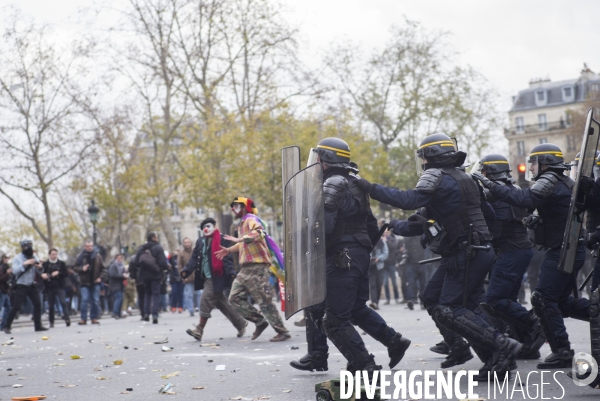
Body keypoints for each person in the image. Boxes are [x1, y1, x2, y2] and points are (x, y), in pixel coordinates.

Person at [357, 133, 521, 379]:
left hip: (467, 252)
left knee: (451, 309)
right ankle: (482, 356)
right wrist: (402, 225)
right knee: (435, 298)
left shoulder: (435, 176)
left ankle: (502, 345)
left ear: (430, 157)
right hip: (474, 250)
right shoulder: (465, 178)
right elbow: (485, 213)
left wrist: (370, 188)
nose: (422, 163)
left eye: (422, 157)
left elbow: (409, 200)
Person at [289, 137, 411, 375]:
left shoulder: (332, 183)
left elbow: (324, 227)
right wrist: (362, 254)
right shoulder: (354, 183)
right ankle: (393, 341)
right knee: (353, 309)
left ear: (326, 159)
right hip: (357, 256)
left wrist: (303, 235)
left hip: (341, 257)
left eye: (318, 157)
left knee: (334, 320)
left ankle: (364, 365)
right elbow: (372, 227)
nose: (315, 162)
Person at [473, 143, 591, 369]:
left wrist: (489, 184)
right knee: (560, 301)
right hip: (568, 248)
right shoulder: (564, 181)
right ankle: (587, 321)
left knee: (543, 298)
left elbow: (524, 199)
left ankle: (562, 352)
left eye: (535, 163)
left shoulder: (550, 180)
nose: (533, 168)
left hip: (563, 249)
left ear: (545, 162)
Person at [472, 154, 544, 360]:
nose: (482, 174)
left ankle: (534, 322)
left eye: (484, 171)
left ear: (491, 172)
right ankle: (527, 343)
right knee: (508, 299)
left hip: (511, 250)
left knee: (494, 299)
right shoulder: (511, 191)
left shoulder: (497, 195)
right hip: (517, 250)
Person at [215, 197, 291, 342]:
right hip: (245, 269)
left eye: (236, 206)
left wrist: (240, 239)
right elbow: (243, 244)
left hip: (258, 267)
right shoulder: (242, 224)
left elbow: (259, 233)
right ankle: (260, 322)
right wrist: (229, 250)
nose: (233, 209)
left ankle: (282, 331)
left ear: (244, 207)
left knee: (264, 301)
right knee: (234, 298)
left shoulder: (251, 220)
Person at [182, 218, 247, 341]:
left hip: (217, 277)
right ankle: (241, 324)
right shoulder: (200, 242)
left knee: (205, 299)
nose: (206, 229)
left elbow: (227, 258)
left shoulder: (223, 239)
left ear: (215, 226)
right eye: (203, 227)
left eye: (208, 226)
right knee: (221, 303)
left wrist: (231, 273)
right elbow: (194, 259)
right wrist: (186, 271)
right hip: (205, 277)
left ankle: (199, 329)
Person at [3, 240, 47, 334]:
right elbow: (14, 270)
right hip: (21, 285)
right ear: (22, 247)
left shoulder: (34, 256)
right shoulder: (17, 258)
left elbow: (39, 270)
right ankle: (7, 326)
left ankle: (38, 325)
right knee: (16, 306)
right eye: (27, 246)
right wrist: (24, 263)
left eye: (30, 245)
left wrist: (39, 267)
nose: (29, 248)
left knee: (38, 304)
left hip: (31, 284)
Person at [134, 232, 170, 324]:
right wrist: (166, 267)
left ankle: (146, 314)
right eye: (156, 237)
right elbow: (162, 262)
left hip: (144, 275)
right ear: (153, 238)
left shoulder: (142, 248)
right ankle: (155, 314)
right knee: (156, 294)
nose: (157, 238)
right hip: (156, 274)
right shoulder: (158, 248)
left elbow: (136, 262)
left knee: (147, 294)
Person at [74, 240, 106, 325]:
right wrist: (82, 269)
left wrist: (100, 277)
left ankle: (94, 317)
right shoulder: (80, 256)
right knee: (84, 300)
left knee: (95, 300)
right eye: (88, 246)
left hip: (95, 282)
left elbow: (103, 269)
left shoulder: (98, 256)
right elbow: (74, 267)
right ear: (84, 247)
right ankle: (83, 319)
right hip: (84, 283)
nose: (89, 248)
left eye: (91, 246)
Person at [41, 249, 71, 328]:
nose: (54, 256)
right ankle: (51, 321)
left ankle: (67, 318)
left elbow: (66, 273)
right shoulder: (46, 264)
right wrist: (45, 276)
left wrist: (59, 273)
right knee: (51, 305)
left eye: (55, 254)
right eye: (53, 254)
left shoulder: (61, 263)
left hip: (59, 286)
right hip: (50, 286)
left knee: (63, 302)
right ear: (49, 255)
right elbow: (42, 273)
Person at [381, 230, 401, 305]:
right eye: (385, 232)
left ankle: (396, 298)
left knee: (394, 282)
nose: (385, 233)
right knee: (385, 282)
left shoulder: (392, 239)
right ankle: (388, 299)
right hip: (385, 264)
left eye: (387, 232)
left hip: (392, 263)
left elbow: (393, 247)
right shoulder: (382, 240)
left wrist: (386, 241)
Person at [368, 236, 388, 310]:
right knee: (372, 285)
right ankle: (374, 302)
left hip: (379, 266)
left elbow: (385, 252)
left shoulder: (381, 242)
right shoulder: (367, 241)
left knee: (379, 285)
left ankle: (377, 301)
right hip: (370, 267)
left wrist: (379, 258)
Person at [179, 238, 195, 317]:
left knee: (200, 293)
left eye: (188, 242)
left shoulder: (195, 251)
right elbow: (179, 266)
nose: (187, 243)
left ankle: (201, 308)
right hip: (187, 277)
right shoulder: (181, 253)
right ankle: (191, 310)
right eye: (185, 242)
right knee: (188, 294)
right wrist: (183, 275)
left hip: (196, 276)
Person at [108, 254, 128, 319]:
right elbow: (113, 275)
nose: (119, 260)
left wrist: (125, 275)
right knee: (118, 298)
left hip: (120, 285)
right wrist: (122, 276)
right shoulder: (113, 266)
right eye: (118, 258)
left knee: (121, 299)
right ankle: (115, 312)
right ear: (115, 259)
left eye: (120, 258)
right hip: (114, 285)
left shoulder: (122, 267)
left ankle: (119, 313)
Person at [0, 252, 12, 332]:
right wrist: (7, 273)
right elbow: (1, 279)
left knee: (8, 307)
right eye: (7, 258)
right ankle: (3, 324)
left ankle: (3, 324)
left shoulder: (6, 266)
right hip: (1, 289)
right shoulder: (1, 267)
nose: (8, 259)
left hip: (4, 289)